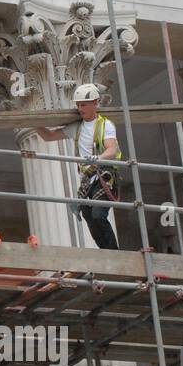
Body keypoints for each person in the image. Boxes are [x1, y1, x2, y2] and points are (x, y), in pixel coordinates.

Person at [34, 83, 122, 250]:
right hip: (88, 179)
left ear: (95, 103)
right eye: (78, 105)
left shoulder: (105, 125)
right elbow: (48, 136)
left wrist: (98, 158)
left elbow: (112, 149)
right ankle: (106, 251)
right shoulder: (77, 127)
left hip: (105, 175)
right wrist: (34, 123)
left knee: (98, 214)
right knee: (88, 215)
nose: (80, 108)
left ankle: (115, 252)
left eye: (83, 104)